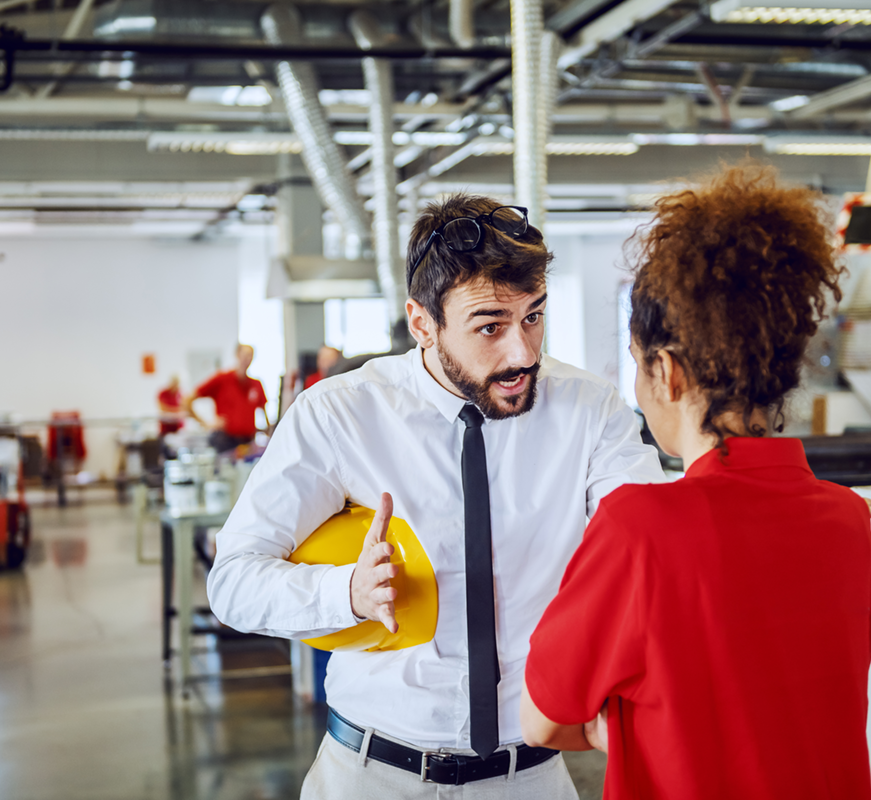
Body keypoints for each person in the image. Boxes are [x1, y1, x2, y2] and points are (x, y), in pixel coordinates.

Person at [207, 196, 666, 798]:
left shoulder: (588, 409)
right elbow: (233, 583)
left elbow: (650, 548)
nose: (522, 353)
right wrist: (344, 592)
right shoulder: (340, 414)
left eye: (534, 316)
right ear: (423, 322)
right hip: (374, 773)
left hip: (530, 776)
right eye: (490, 326)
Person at [520, 165, 871, 799]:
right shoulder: (849, 522)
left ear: (668, 371)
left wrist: (621, 727)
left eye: (637, 364)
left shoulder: (640, 530)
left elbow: (542, 719)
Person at [185, 344, 269, 454]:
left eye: (250, 356)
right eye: (244, 355)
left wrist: (269, 432)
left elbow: (263, 409)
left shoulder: (255, 384)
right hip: (225, 441)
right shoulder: (222, 379)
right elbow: (187, 400)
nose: (247, 359)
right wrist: (205, 423)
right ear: (237, 355)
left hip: (248, 442)